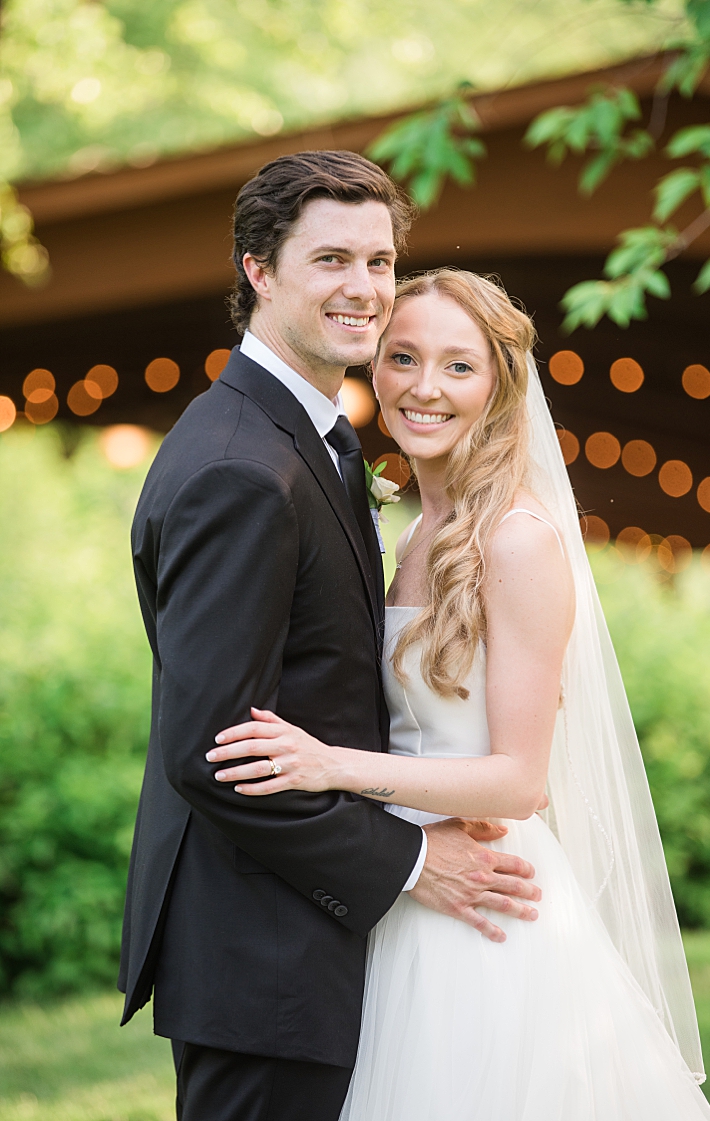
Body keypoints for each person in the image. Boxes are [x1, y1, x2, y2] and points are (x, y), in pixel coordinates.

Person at [207, 268, 710, 1118]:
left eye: (458, 366)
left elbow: (519, 779)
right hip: (401, 882)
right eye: (403, 357)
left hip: (484, 900)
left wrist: (329, 764)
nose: (423, 387)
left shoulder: (517, 541)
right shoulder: (412, 532)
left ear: (499, 385)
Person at [120, 152, 542, 1121]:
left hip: (308, 940)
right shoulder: (242, 466)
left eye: (381, 261)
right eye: (331, 259)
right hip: (263, 953)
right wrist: (408, 860)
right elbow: (213, 751)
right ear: (259, 271)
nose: (364, 289)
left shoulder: (305, 437)